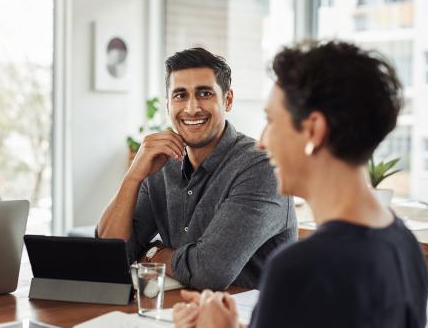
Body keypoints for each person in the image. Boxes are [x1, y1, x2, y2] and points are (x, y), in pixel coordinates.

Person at [173, 41, 428, 327]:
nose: (262, 141)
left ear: (313, 131)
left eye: (271, 121)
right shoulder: (402, 242)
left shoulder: (298, 270)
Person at [97, 48, 296, 290]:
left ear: (228, 100)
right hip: (180, 312)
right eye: (180, 95)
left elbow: (210, 272)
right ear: (168, 104)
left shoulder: (260, 167)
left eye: (204, 93)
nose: (191, 108)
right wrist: (133, 176)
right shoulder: (162, 163)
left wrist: (151, 254)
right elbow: (108, 254)